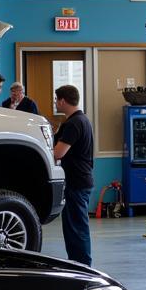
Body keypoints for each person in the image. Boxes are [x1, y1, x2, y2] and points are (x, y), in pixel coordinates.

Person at [52, 85, 94, 266]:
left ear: (62, 100)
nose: (55, 103)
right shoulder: (82, 120)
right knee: (75, 226)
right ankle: (79, 263)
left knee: (76, 227)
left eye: (56, 99)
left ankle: (82, 265)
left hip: (76, 182)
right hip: (81, 180)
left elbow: (58, 153)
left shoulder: (73, 124)